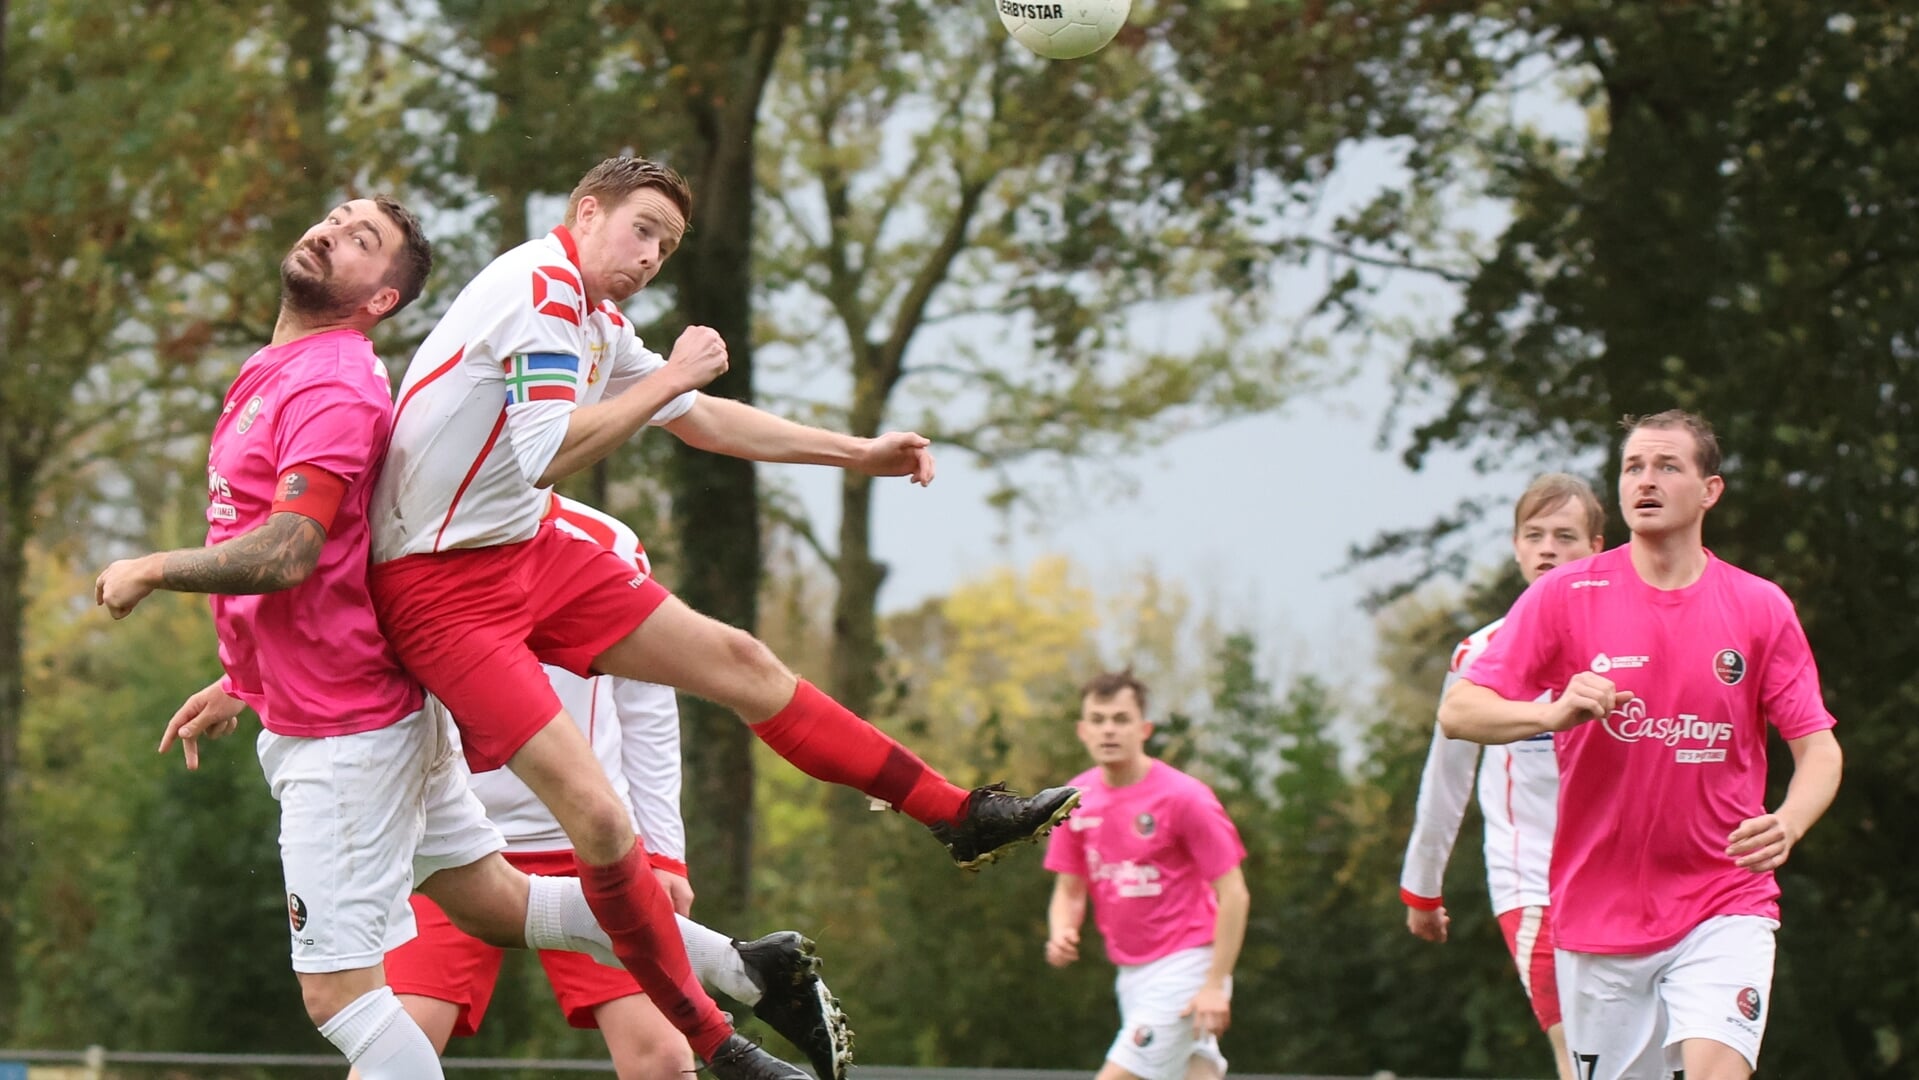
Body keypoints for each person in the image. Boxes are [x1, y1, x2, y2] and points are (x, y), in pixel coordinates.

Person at [364, 156, 1078, 1068]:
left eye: (666, 243)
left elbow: (702, 418)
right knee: (603, 824)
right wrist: (670, 379)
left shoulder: (589, 313)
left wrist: (855, 452)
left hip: (518, 550)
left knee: (744, 662)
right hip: (439, 594)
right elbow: (550, 449)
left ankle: (957, 815)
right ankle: (720, 1043)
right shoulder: (538, 289)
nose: (652, 254)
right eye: (642, 229)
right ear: (587, 213)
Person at [93, 199, 818, 1080]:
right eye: (335, 219)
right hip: (353, 705)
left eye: (363, 241)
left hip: (344, 735)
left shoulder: (328, 383)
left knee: (343, 1001)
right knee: (495, 903)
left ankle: (731, 997)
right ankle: (743, 967)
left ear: (383, 299)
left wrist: (153, 567)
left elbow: (290, 554)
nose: (331, 233)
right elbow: (350, 567)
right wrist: (242, 680)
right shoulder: (277, 368)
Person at [368, 497, 851, 1080]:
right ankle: (743, 969)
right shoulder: (399, 535)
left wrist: (664, 851)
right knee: (396, 1050)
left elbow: (646, 707)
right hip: (448, 840)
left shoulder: (605, 539)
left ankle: (743, 973)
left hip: (586, 842)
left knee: (663, 1057)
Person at [1440, 411, 1845, 1080]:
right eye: (1632, 467)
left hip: (1724, 897)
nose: (1644, 481)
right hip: (1597, 915)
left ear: (1708, 490)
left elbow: (1818, 748)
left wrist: (1790, 822)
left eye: (1666, 467)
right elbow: (1459, 711)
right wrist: (1555, 711)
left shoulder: (1758, 606)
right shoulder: (1563, 596)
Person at [1399, 473, 1605, 1080]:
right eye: (1533, 534)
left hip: (1620, 875)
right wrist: (1423, 886)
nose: (1546, 549)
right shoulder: (1481, 656)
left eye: (1564, 536)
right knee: (1576, 1052)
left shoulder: (1630, 645)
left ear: (1597, 547)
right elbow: (1446, 777)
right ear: (1515, 547)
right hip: (1531, 877)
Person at [1044, 672, 1249, 1080]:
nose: (1109, 730)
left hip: (1188, 964)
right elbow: (1069, 888)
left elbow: (1234, 893)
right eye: (1098, 720)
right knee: (1195, 1074)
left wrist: (1213, 983)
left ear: (1145, 729)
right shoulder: (1074, 801)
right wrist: (1061, 930)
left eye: (1121, 719)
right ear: (1082, 731)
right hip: (1132, 974)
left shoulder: (1184, 797)